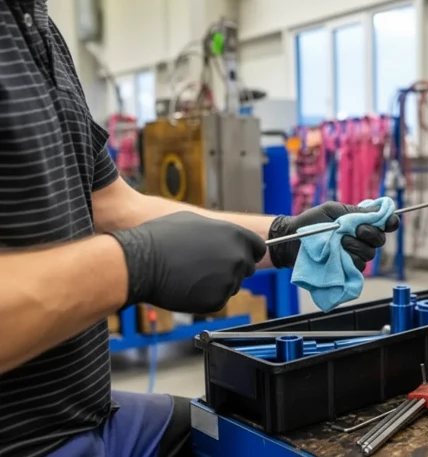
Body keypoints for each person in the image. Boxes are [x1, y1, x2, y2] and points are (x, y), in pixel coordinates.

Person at [0, 2, 400, 456]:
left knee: (242, 439)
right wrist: (135, 264)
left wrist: (284, 237)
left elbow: (112, 205)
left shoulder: (38, 26)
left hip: (89, 417)